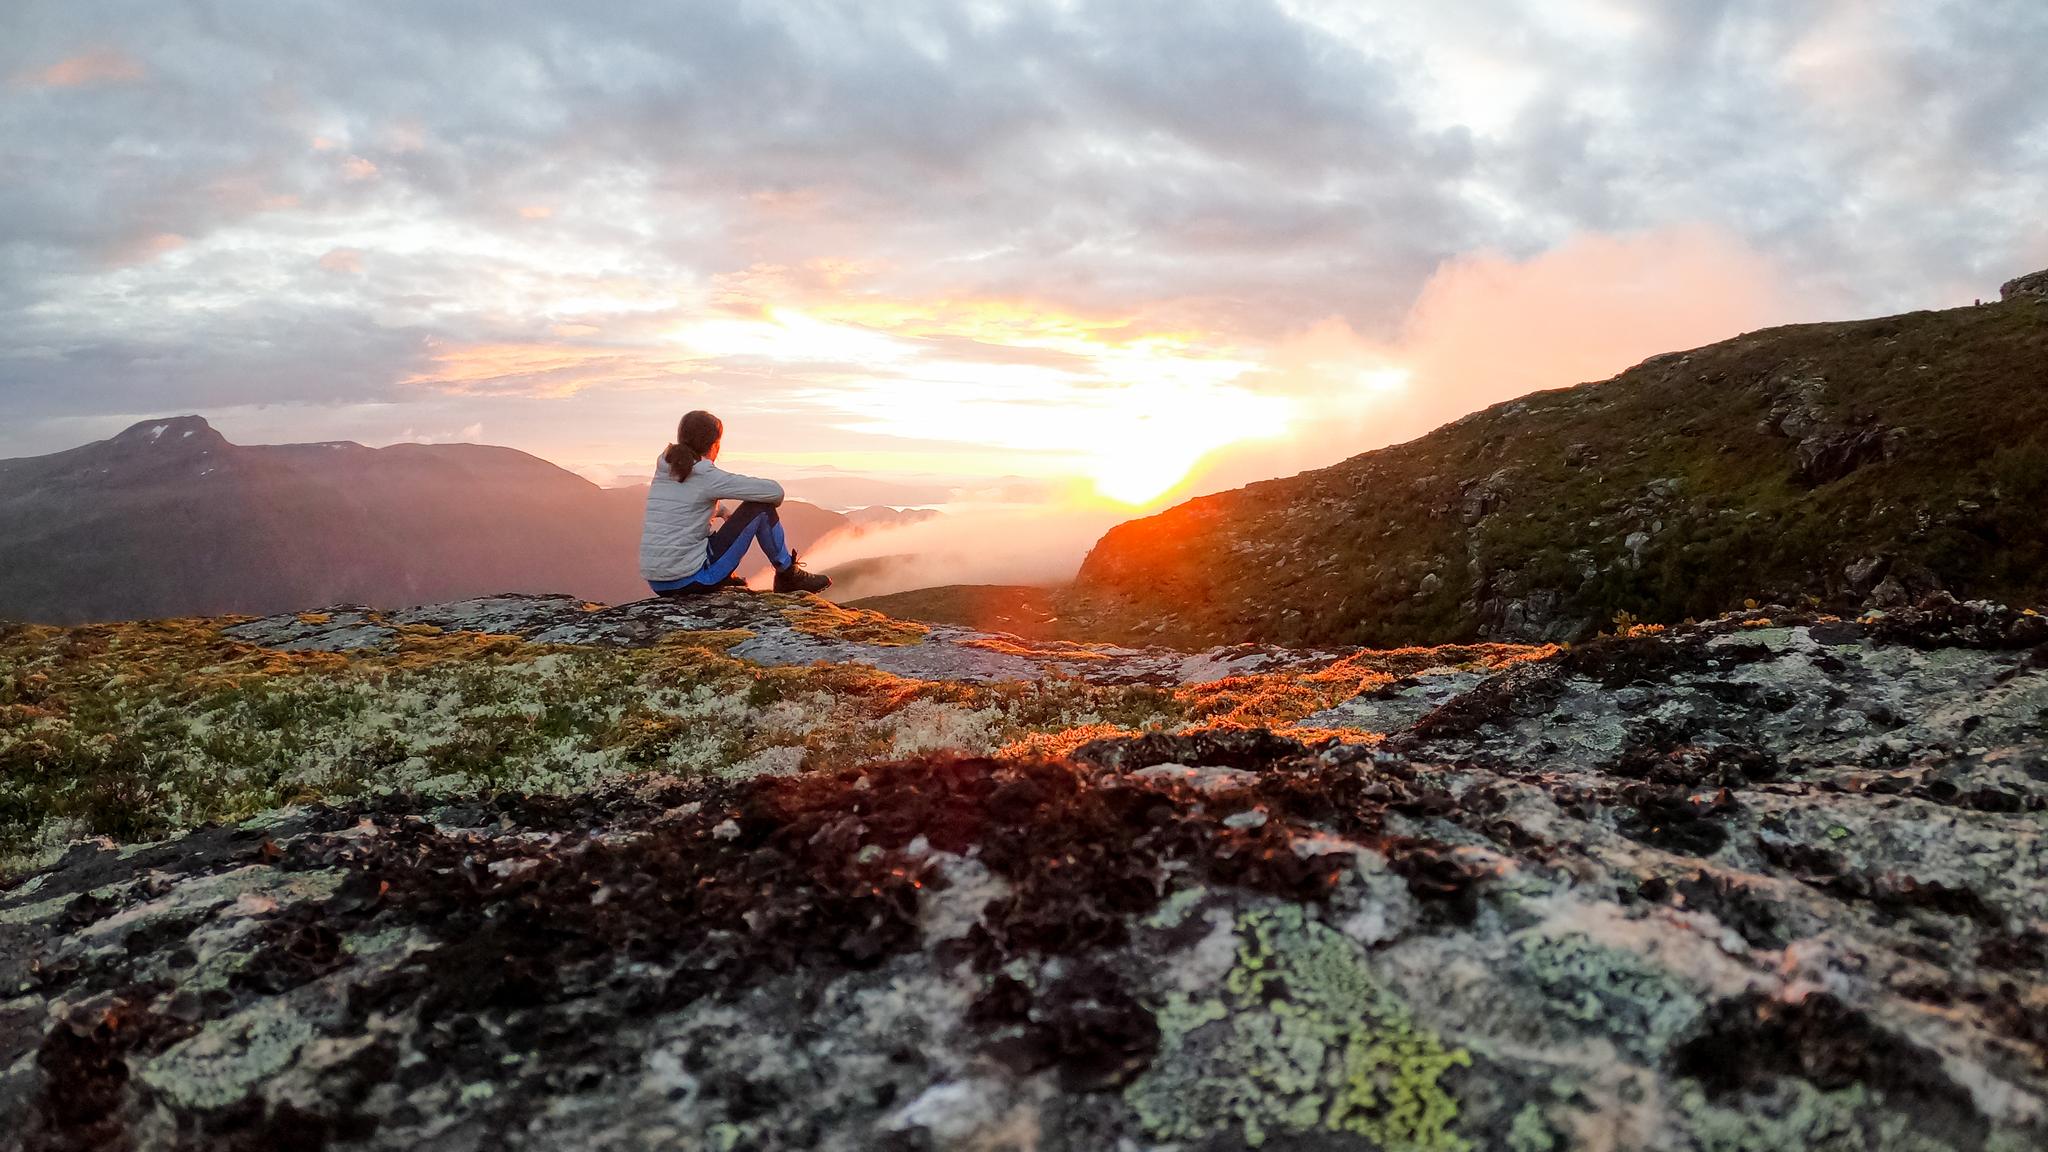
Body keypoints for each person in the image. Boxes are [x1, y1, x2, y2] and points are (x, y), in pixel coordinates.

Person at [639, 410, 832, 596]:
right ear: (715, 445)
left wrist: (721, 511)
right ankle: (788, 574)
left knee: (705, 537)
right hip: (692, 579)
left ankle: (726, 575)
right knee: (760, 507)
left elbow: (683, 503)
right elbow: (775, 493)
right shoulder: (706, 474)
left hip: (658, 582)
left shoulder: (666, 467)